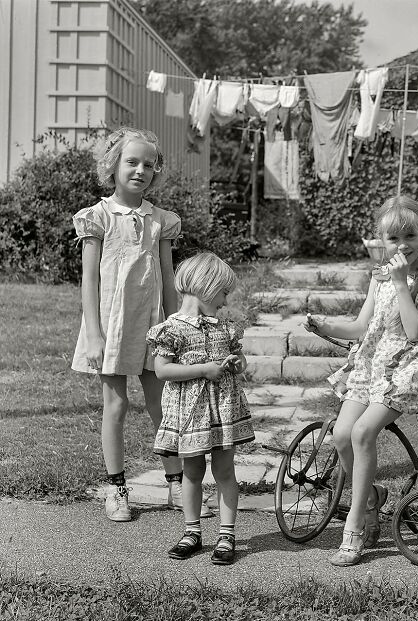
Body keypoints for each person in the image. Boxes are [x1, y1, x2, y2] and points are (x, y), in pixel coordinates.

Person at [304, 195, 418, 567]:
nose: (402, 245)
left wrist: (403, 284)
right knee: (341, 435)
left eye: (410, 236)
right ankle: (372, 494)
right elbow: (360, 326)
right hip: (370, 367)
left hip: (403, 370)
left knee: (362, 433)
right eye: (393, 239)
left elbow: (416, 330)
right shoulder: (379, 276)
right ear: (381, 241)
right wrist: (325, 324)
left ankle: (355, 521)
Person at [72, 127, 213, 522]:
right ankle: (117, 488)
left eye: (148, 164)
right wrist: (95, 334)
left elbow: (168, 279)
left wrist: (178, 327)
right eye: (131, 162)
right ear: (113, 165)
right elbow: (89, 281)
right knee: (116, 405)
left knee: (162, 404)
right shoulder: (96, 218)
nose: (140, 170)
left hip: (154, 326)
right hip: (111, 326)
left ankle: (175, 482)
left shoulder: (161, 221)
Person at [147, 252, 254, 565]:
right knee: (192, 472)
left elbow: (241, 360)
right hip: (190, 415)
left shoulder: (225, 329)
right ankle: (192, 532)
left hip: (223, 411)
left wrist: (236, 364)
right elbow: (163, 370)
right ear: (206, 287)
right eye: (223, 293)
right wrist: (204, 370)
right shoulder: (172, 330)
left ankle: (226, 534)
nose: (224, 301)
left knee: (224, 470)